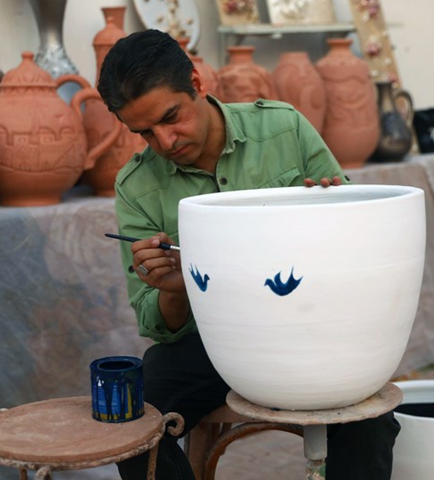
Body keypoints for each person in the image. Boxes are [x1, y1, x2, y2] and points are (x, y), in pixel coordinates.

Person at [97, 29, 400, 480]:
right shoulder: (136, 186)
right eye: (144, 132)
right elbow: (156, 326)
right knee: (132, 419)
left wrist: (330, 208)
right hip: (211, 342)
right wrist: (174, 288)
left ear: (196, 84)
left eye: (171, 117)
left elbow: (356, 239)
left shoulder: (283, 129)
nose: (165, 141)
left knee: (369, 421)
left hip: (306, 327)